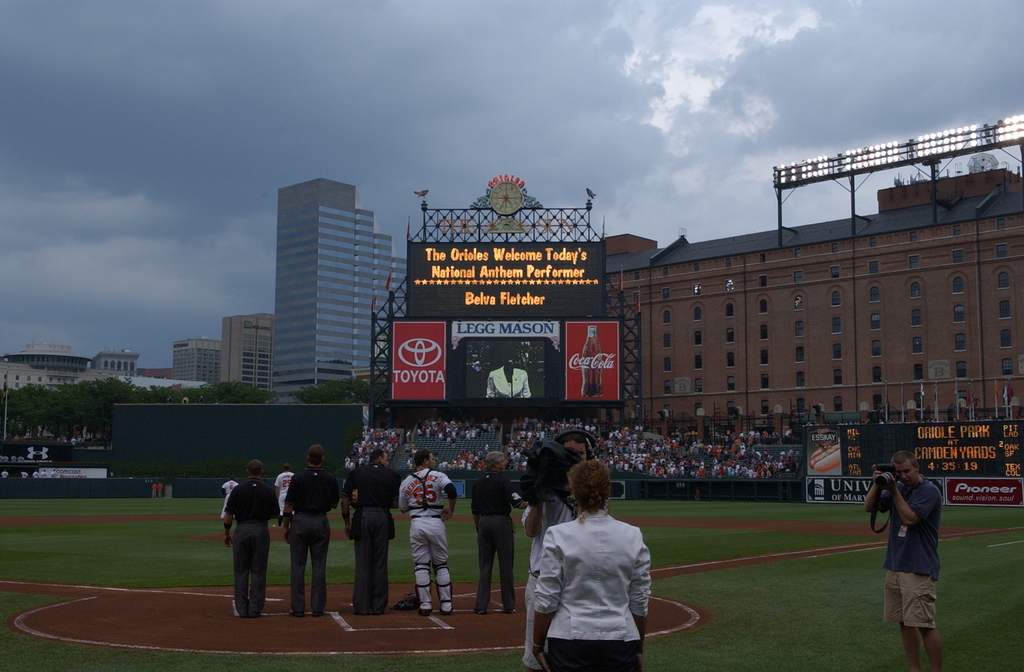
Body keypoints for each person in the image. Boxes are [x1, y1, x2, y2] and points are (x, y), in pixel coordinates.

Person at [531, 459, 651, 672]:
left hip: (569, 639)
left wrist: (537, 645)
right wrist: (638, 647)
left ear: (575, 493)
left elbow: (547, 598)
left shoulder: (558, 535)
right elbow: (639, 600)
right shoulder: (633, 534)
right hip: (620, 639)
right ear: (608, 491)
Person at [863, 450, 943, 672]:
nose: (903, 476)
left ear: (917, 467)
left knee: (924, 624)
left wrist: (893, 491)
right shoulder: (897, 486)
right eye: (898, 472)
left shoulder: (929, 491)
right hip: (896, 564)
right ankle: (914, 669)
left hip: (918, 566)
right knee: (904, 622)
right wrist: (878, 483)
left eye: (907, 471)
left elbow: (910, 518)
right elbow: (869, 507)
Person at [522, 428, 594, 672]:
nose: (576, 457)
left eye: (581, 453)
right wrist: (538, 498)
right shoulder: (542, 486)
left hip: (581, 577)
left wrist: (579, 494)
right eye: (570, 453)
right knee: (535, 653)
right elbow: (531, 531)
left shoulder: (593, 492)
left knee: (579, 650)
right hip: (543, 576)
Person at [341, 448, 401, 615]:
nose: (387, 462)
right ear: (380, 459)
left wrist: (347, 522)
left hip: (362, 516)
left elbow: (345, 500)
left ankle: (361, 606)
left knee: (362, 562)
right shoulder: (392, 474)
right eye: (387, 459)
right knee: (380, 562)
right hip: (383, 516)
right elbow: (396, 504)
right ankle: (378, 606)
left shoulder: (356, 472)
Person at [398, 448, 458, 616]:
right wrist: (451, 510)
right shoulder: (439, 475)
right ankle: (446, 605)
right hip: (435, 522)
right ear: (425, 461)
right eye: (432, 458)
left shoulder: (407, 480)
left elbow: (402, 508)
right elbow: (452, 491)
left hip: (417, 523)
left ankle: (425, 605)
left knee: (421, 566)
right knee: (441, 565)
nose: (434, 460)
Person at [282, 444, 340, 617]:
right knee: (319, 566)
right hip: (320, 520)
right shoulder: (330, 478)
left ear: (308, 458)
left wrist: (286, 527)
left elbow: (289, 505)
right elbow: (334, 504)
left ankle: (298, 608)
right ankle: (317, 607)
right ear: (322, 459)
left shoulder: (298, 477)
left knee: (298, 566)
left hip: (300, 520)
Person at [223, 459, 279, 618]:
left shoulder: (238, 490)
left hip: (241, 529)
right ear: (262, 472)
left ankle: (242, 609)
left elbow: (228, 516)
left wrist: (227, 533)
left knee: (241, 571)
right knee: (259, 571)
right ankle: (255, 609)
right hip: (260, 529)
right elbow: (275, 514)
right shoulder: (268, 490)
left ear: (247, 472)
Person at [472, 450, 526, 614]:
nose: (505, 463)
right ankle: (508, 605)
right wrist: (536, 501)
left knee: (485, 565)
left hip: (483, 523)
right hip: (501, 523)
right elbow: (519, 504)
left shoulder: (478, 482)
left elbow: (475, 510)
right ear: (495, 464)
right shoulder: (504, 482)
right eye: (502, 461)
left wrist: (478, 530)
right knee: (506, 565)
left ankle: (481, 605)